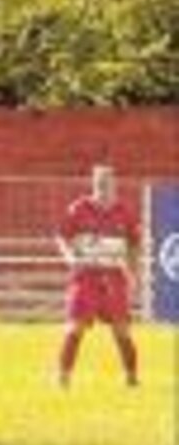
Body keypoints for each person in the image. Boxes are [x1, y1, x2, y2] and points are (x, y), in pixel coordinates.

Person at [56, 164, 141, 388]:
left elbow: (134, 244)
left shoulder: (125, 211)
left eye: (107, 180)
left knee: (122, 329)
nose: (103, 184)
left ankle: (131, 377)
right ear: (93, 182)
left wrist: (133, 272)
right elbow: (62, 237)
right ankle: (63, 377)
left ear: (115, 183)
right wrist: (69, 258)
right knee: (75, 327)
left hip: (114, 276)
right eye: (99, 180)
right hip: (86, 275)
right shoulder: (79, 208)